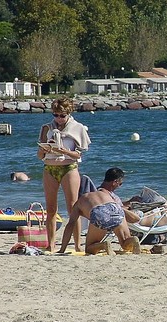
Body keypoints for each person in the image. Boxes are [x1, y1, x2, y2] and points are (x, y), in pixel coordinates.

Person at [37, 96, 91, 252]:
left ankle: (77, 244)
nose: (58, 119)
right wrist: (44, 149)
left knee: (73, 208)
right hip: (50, 167)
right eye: (55, 115)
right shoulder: (47, 128)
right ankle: (51, 244)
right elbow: (39, 157)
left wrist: (64, 151)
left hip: (69, 167)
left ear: (68, 113)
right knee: (51, 208)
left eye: (62, 115)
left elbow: (79, 155)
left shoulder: (77, 127)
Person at [58, 168, 140, 255]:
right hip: (115, 208)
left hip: (99, 212)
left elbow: (70, 225)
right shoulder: (105, 193)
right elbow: (131, 217)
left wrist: (62, 249)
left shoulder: (80, 201)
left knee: (89, 248)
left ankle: (103, 245)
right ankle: (133, 240)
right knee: (124, 243)